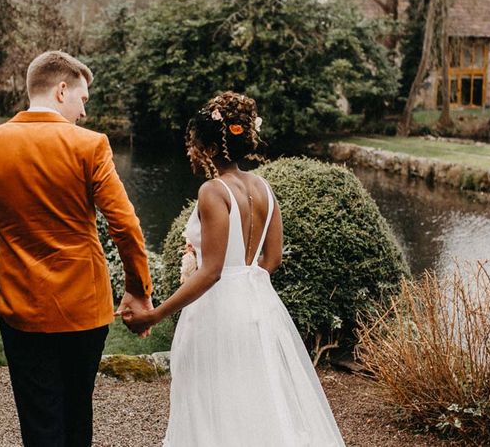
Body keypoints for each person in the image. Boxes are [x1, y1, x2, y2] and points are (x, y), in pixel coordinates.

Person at [0, 50, 153, 447]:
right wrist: (137, 289)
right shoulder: (90, 146)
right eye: (82, 100)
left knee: (39, 417)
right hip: (85, 307)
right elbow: (125, 226)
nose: (84, 113)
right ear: (62, 90)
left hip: (21, 306)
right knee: (78, 411)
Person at [122, 91, 345, 446]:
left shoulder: (214, 191)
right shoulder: (265, 189)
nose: (192, 152)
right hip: (257, 307)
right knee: (252, 399)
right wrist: (243, 274)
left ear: (210, 148)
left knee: (211, 403)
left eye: (195, 145)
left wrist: (155, 315)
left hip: (216, 314)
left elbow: (211, 272)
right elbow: (271, 260)